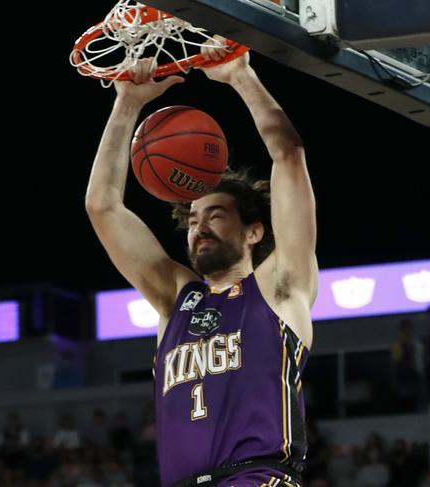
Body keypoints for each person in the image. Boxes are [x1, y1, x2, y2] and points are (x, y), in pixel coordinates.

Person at [85, 37, 318, 487]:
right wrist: (127, 104)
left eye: (216, 215)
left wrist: (239, 76)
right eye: (193, 219)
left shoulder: (281, 286)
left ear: (254, 231)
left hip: (258, 478)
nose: (200, 227)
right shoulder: (176, 299)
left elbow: (288, 155)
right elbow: (102, 206)